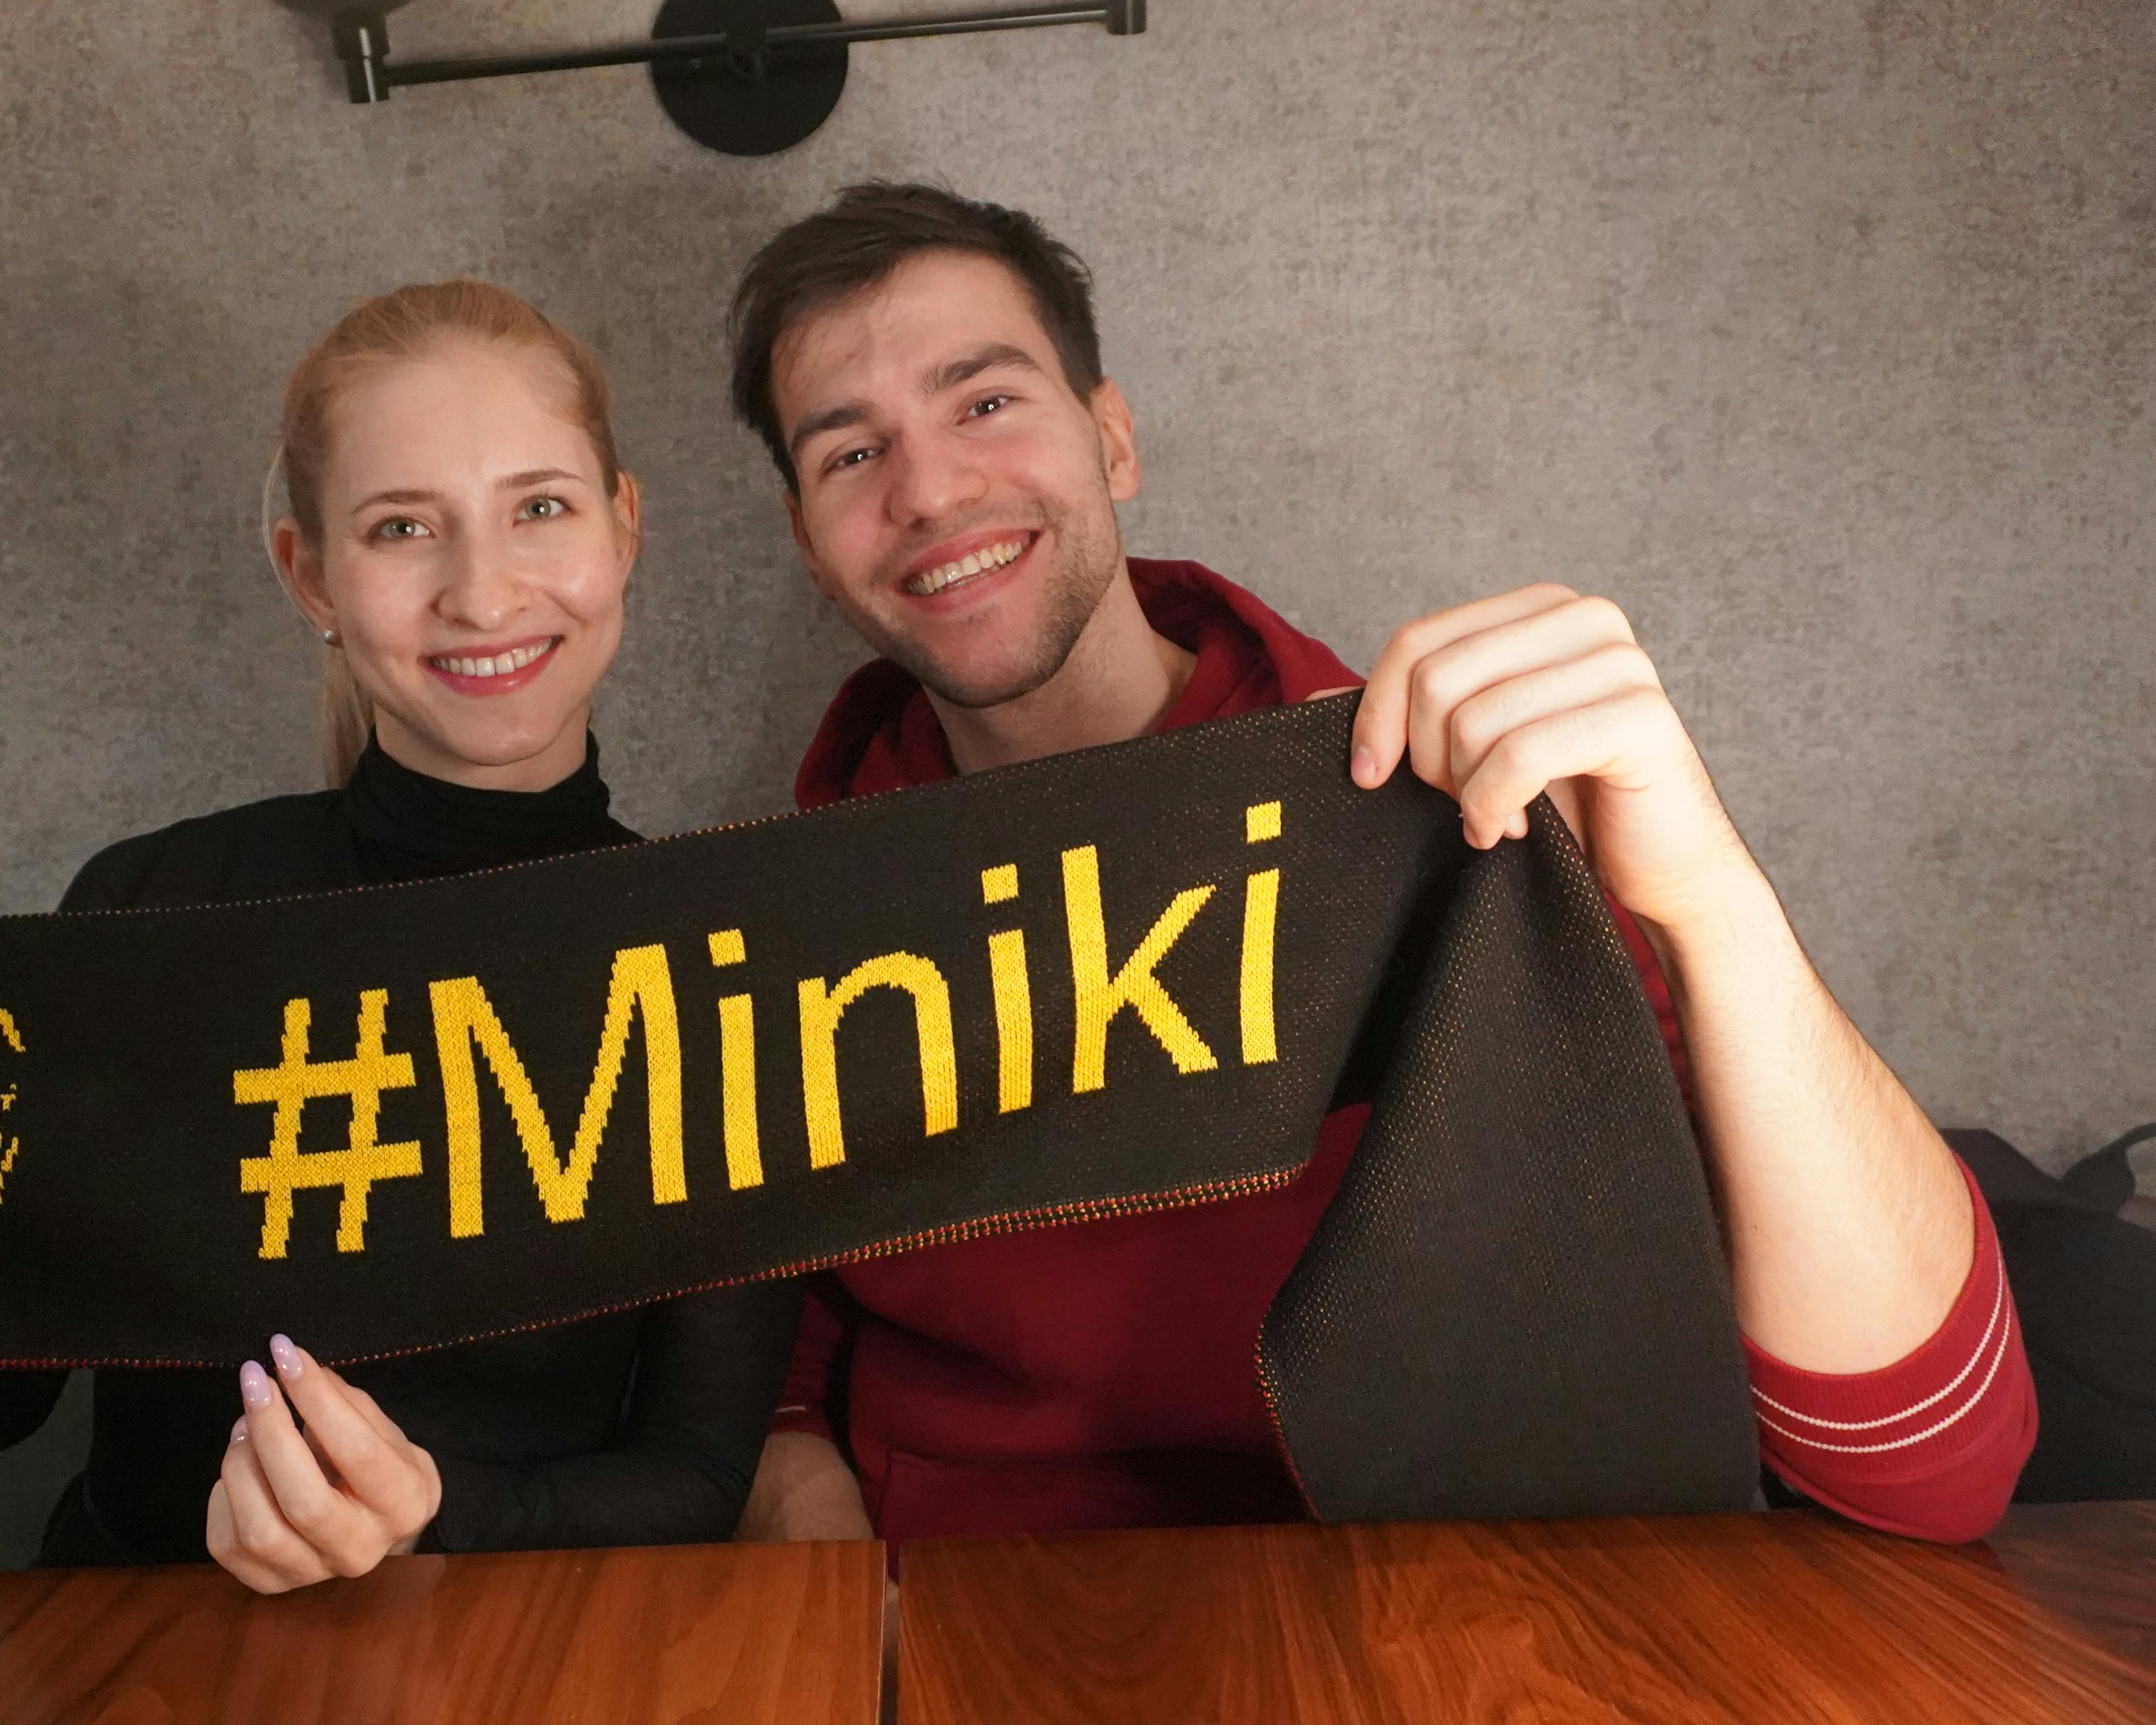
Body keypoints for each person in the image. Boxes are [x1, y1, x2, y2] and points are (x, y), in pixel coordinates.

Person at [721, 182, 2036, 1546]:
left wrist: (1710, 909)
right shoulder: (779, 919)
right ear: (812, 545)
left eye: (986, 401)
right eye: (852, 453)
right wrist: (793, 1465)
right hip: (972, 1605)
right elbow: (782, 1321)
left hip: (1454, 1596)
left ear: (1112, 439)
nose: (932, 491)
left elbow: (1937, 1469)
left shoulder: (1452, 813)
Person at [0, 280, 800, 1589]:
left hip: (528, 1641)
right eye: (402, 527)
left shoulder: (729, 966)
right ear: (310, 573)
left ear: (624, 528)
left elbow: (695, 1476)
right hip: (143, 1637)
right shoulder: (154, 905)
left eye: (539, 507)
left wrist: (431, 1513)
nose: (483, 594)